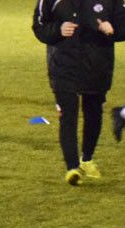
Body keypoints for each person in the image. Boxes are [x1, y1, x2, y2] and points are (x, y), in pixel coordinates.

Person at [32, 0, 125, 185]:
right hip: (63, 66)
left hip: (97, 65)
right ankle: (72, 168)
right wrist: (58, 29)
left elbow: (123, 27)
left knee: (93, 114)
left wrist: (111, 29)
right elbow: (39, 26)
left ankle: (87, 159)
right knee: (68, 115)